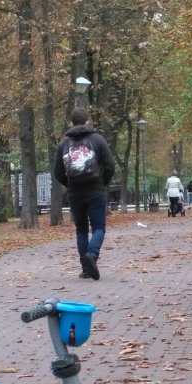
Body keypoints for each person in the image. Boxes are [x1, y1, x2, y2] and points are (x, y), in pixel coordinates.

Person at [53, 108, 116, 281]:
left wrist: (70, 184)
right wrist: (102, 182)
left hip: (75, 193)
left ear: (72, 123)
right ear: (87, 121)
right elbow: (110, 165)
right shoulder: (97, 139)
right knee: (98, 227)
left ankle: (86, 269)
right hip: (95, 190)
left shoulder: (64, 143)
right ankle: (92, 255)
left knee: (81, 230)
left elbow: (58, 172)